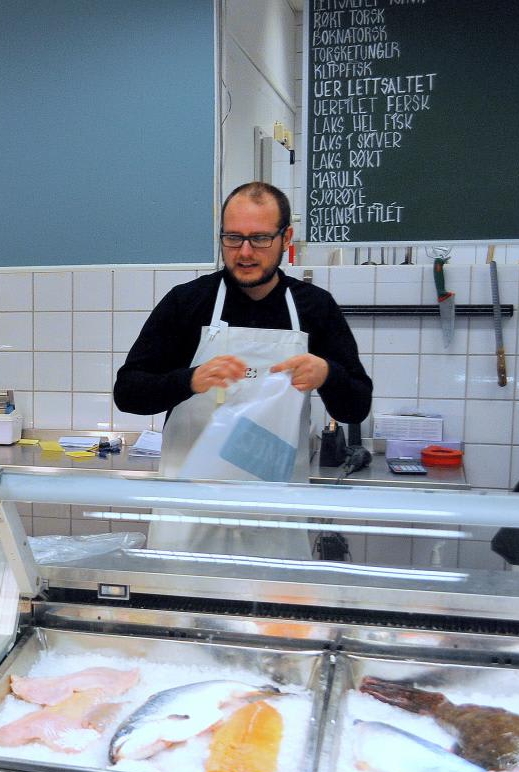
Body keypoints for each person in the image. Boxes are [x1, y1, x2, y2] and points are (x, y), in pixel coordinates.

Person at [113, 181, 372, 558]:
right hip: (189, 515)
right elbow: (128, 392)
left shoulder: (315, 308)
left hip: (274, 516)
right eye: (233, 238)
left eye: (260, 239)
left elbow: (356, 407)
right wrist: (189, 379)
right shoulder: (187, 303)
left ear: (286, 238)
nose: (245, 252)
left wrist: (328, 374)